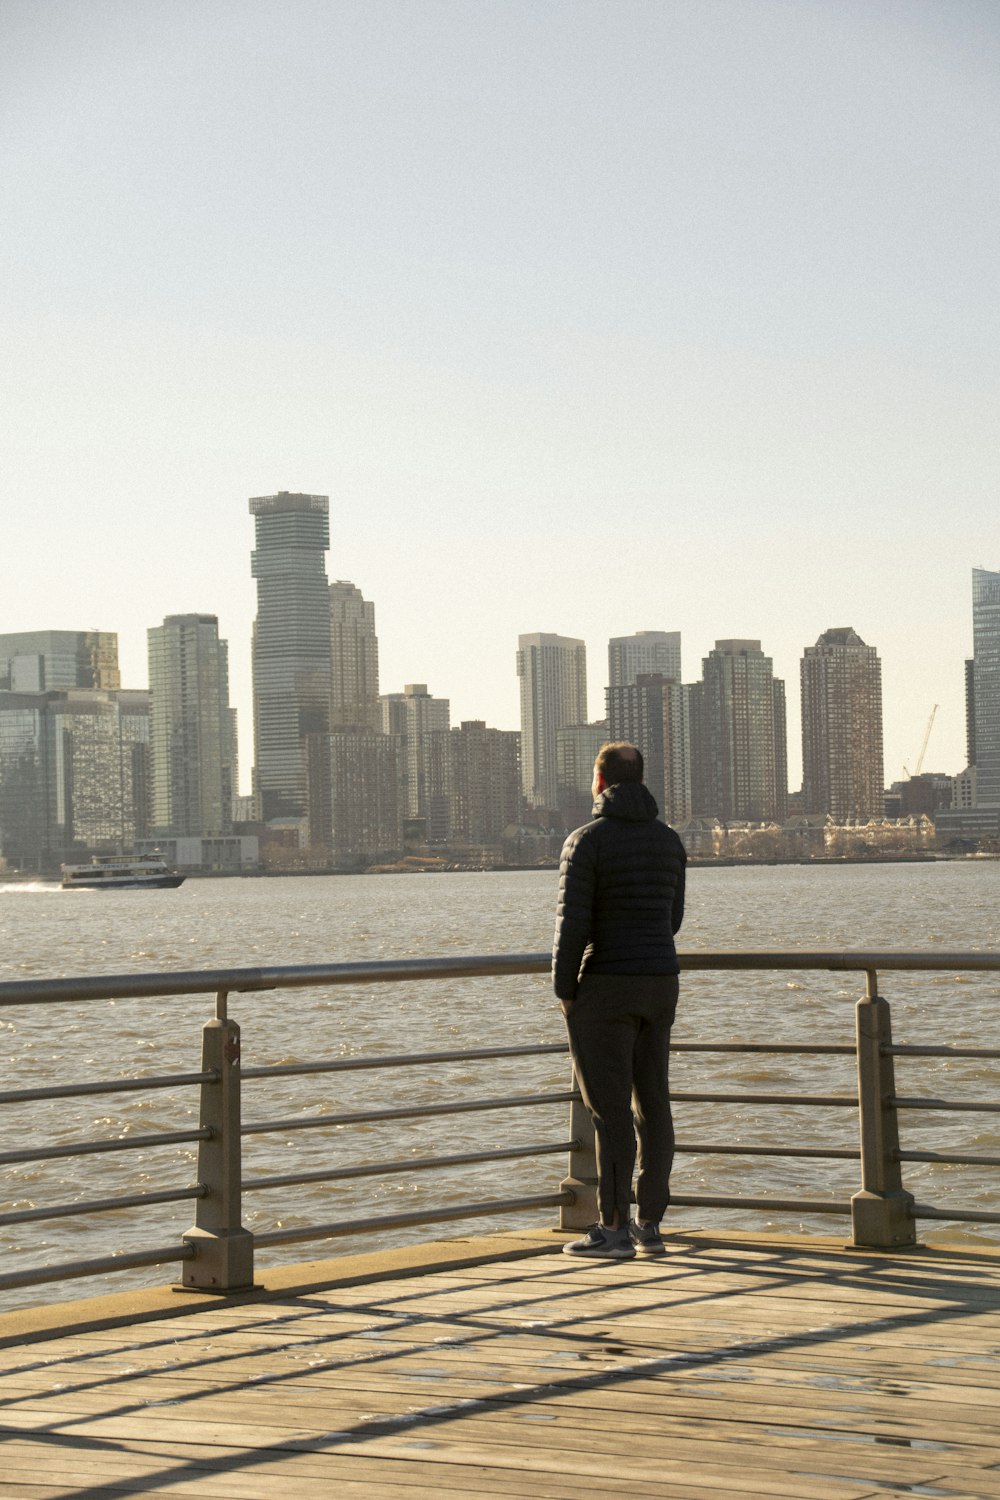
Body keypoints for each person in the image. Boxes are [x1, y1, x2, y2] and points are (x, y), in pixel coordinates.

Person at [552, 740, 686, 1258]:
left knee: (608, 1111)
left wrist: (566, 992)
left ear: (601, 782)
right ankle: (650, 1225)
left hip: (606, 984)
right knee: (653, 1103)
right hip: (660, 981)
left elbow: (572, 928)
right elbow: (673, 919)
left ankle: (612, 1230)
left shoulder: (585, 842)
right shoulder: (669, 841)